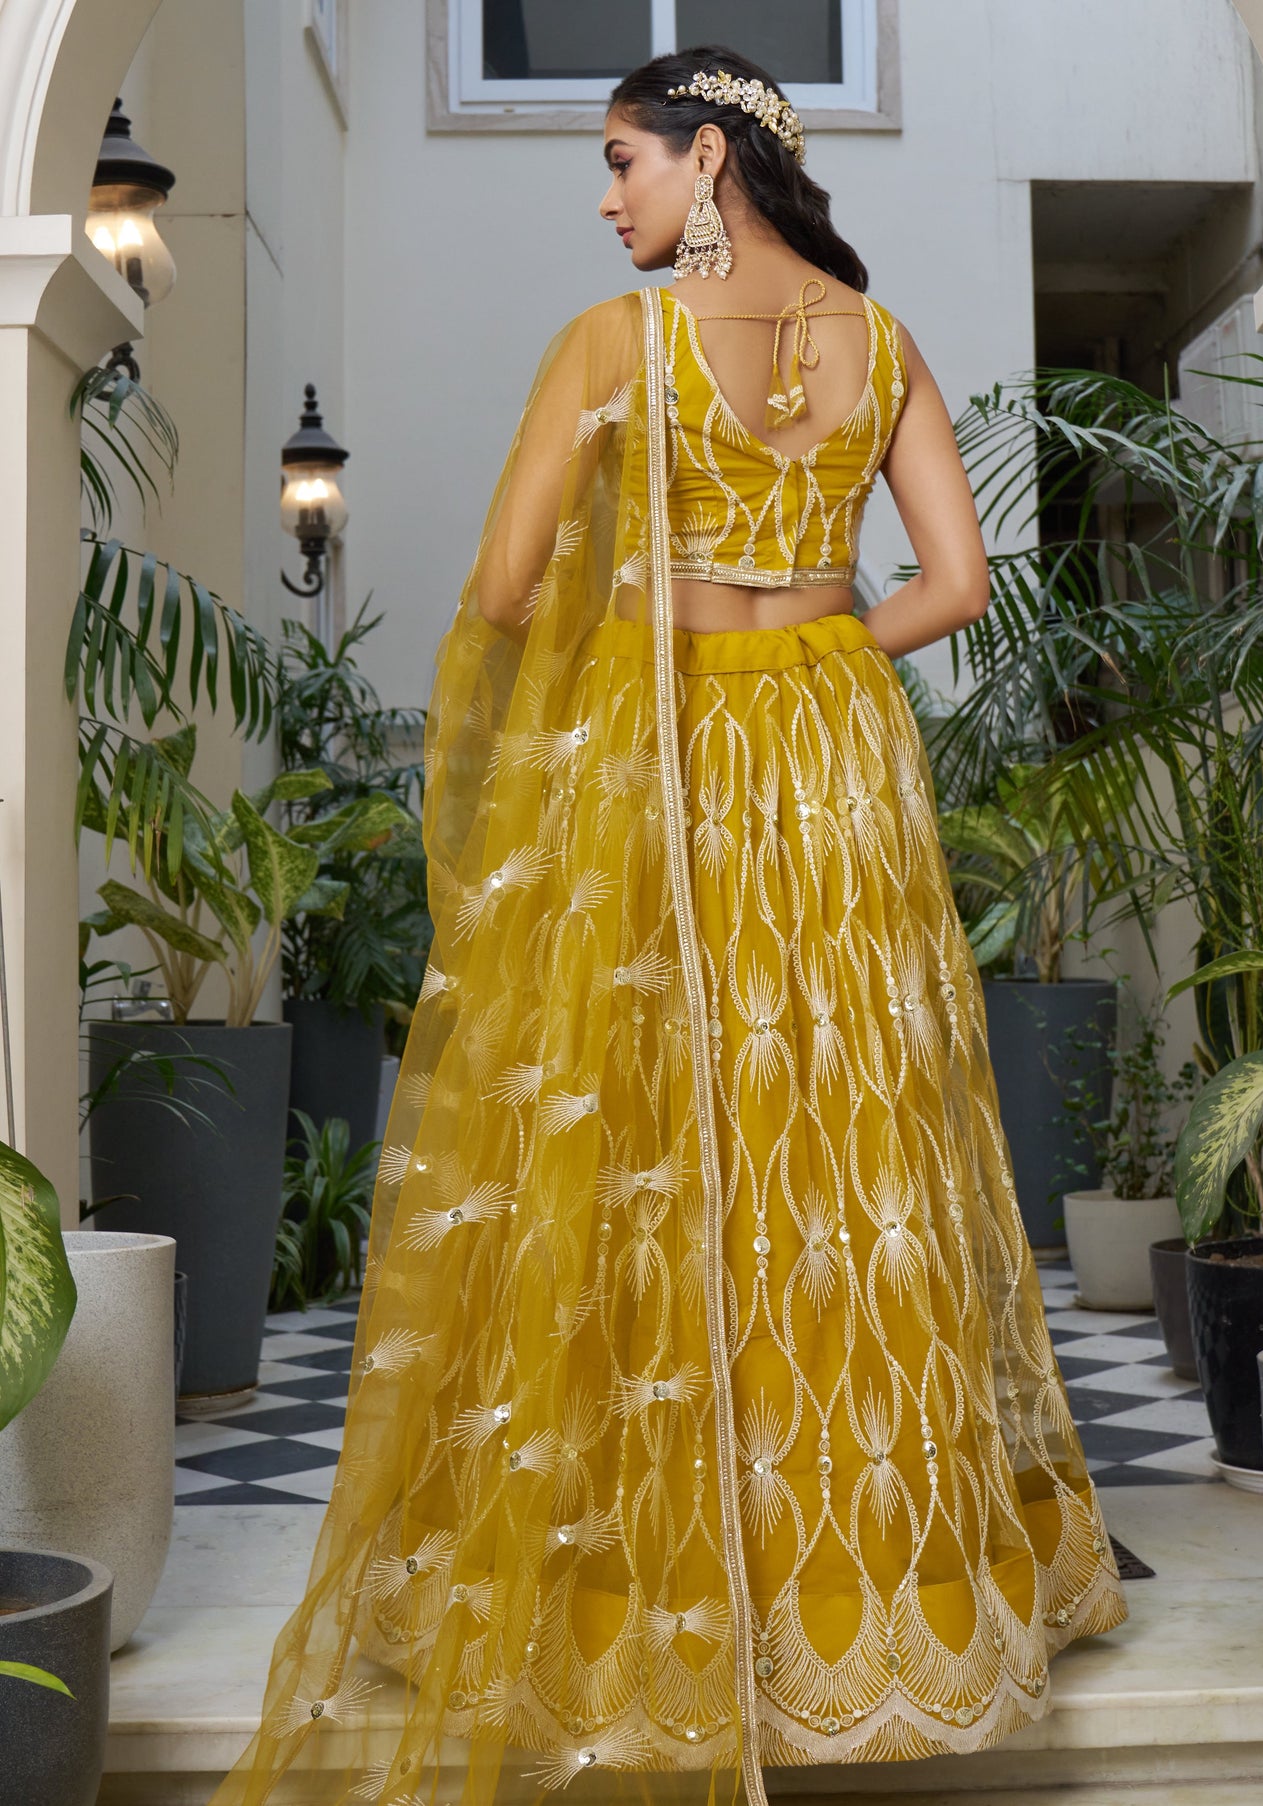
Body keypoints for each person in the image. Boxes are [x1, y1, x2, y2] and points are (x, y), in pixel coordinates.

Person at [210, 45, 1125, 1806]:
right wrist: (817, 657)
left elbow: (495, 590)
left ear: (710, 162)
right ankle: (864, 1599)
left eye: (625, 158)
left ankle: (652, 1585)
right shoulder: (884, 341)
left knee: (655, 1130)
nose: (608, 193)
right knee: (845, 1148)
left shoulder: (609, 348)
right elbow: (954, 584)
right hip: (839, 759)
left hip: (675, 752)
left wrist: (633, 649)